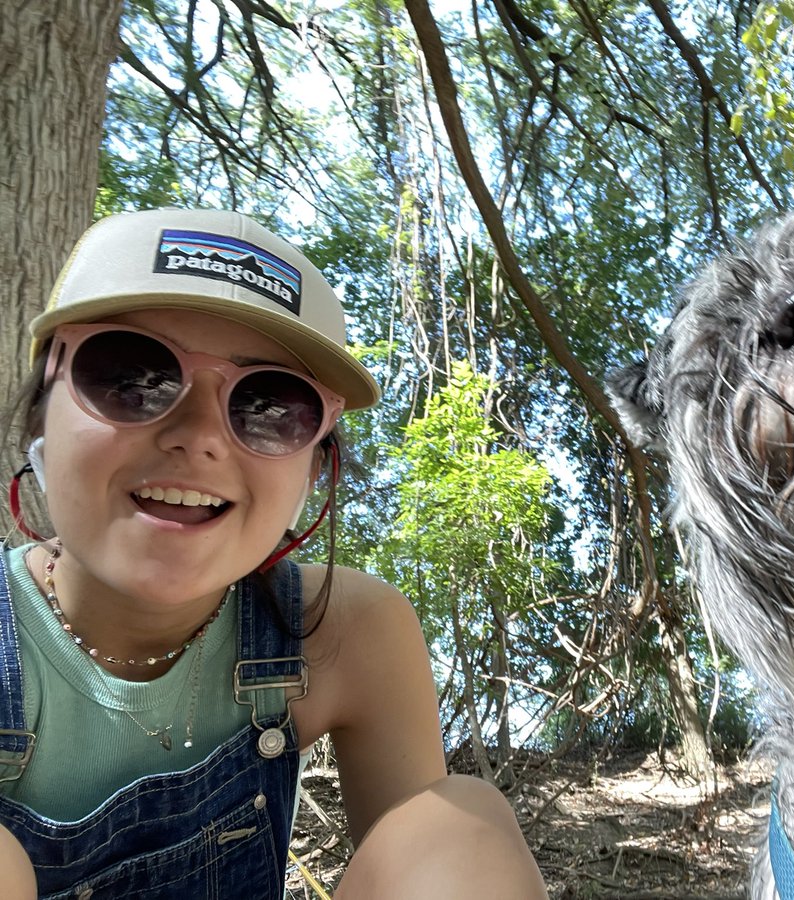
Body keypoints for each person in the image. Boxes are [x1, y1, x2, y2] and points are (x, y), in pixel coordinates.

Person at [0, 208, 549, 899]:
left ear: (315, 469)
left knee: (458, 829)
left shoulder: (343, 632)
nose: (198, 436)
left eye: (271, 405)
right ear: (40, 412)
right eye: (130, 375)